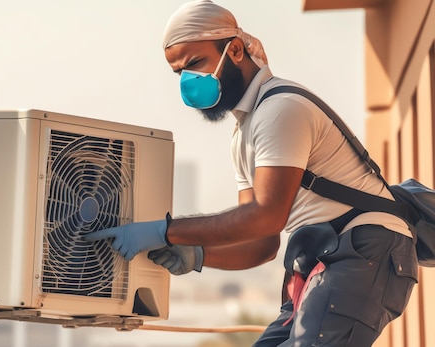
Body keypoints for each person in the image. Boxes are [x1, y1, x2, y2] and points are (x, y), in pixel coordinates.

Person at [85, 1, 418, 346]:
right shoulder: (244, 133)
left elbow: (266, 216)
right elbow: (261, 243)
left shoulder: (279, 110)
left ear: (236, 50)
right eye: (179, 72)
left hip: (364, 250)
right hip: (326, 257)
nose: (188, 80)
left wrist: (165, 231)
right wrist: (199, 255)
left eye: (196, 63)